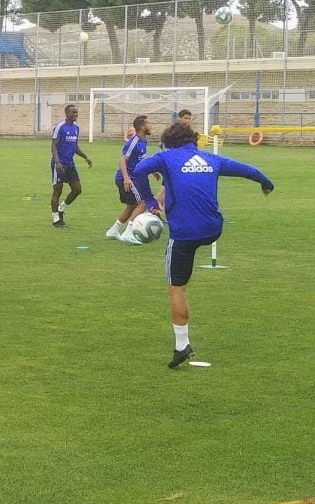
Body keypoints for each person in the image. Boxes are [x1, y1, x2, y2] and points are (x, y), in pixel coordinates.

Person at [132, 122, 273, 369]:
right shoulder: (211, 159)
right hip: (212, 229)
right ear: (194, 140)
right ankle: (182, 345)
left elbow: (139, 169)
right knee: (193, 238)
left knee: (177, 289)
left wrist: (151, 202)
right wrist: (266, 183)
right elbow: (247, 169)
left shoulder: (165, 157)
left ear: (169, 143)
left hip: (184, 233)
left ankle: (182, 346)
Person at [105, 115, 152, 245]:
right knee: (143, 203)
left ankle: (114, 231)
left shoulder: (144, 141)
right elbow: (122, 160)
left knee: (132, 206)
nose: (150, 125)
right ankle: (129, 233)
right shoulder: (134, 141)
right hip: (127, 178)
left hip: (133, 177)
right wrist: (126, 178)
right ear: (141, 127)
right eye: (148, 123)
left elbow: (141, 159)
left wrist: (153, 171)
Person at [50, 104, 92, 228]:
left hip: (70, 164)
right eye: (73, 112)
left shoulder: (76, 128)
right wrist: (57, 162)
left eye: (76, 112)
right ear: (66, 113)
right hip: (59, 164)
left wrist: (85, 157)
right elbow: (53, 146)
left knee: (77, 189)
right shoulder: (60, 127)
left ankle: (61, 208)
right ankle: (55, 219)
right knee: (57, 191)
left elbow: (75, 146)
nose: (75, 115)